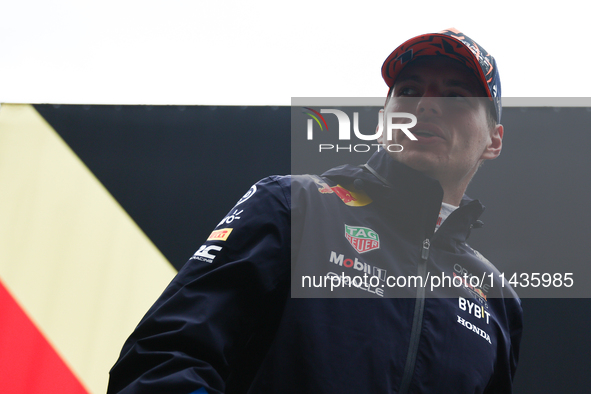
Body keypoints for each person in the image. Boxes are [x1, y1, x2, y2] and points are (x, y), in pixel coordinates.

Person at [108, 28, 522, 394]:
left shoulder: (496, 298)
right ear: (384, 121)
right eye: (410, 91)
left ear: (494, 141)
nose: (427, 105)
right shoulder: (294, 205)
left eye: (455, 95)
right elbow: (164, 358)